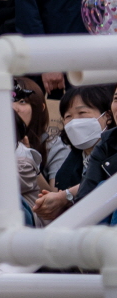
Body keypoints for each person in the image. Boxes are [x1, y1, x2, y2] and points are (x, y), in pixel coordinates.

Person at [33, 84, 115, 218]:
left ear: (107, 116)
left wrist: (65, 196)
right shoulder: (69, 164)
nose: (74, 122)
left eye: (82, 113)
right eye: (68, 117)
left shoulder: (112, 152)